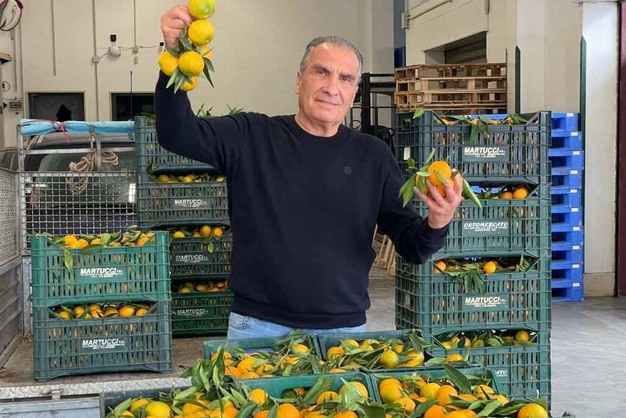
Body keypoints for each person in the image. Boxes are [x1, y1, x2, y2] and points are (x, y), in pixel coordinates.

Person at [156, 4, 463, 339]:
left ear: (354, 93)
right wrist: (175, 54)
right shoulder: (251, 136)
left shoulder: (372, 155)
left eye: (345, 78)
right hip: (257, 328)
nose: (332, 87)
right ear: (299, 80)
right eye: (321, 72)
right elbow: (177, 134)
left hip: (342, 333)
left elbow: (413, 246)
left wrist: (438, 220)